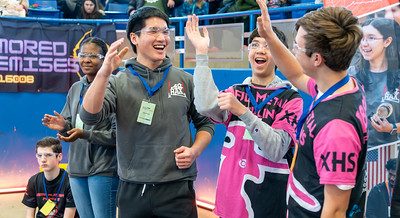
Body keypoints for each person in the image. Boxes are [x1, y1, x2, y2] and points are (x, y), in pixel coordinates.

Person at [79, 6, 215, 218]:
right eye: (153, 31)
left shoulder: (185, 80)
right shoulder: (118, 81)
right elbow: (89, 116)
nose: (162, 38)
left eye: (165, 31)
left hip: (177, 188)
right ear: (134, 37)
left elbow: (206, 123)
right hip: (132, 189)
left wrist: (194, 151)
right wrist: (104, 73)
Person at [254, 0, 368, 217]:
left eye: (297, 46)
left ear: (317, 58)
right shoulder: (341, 85)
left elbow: (335, 210)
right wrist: (268, 35)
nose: (293, 50)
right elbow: (296, 74)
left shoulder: (337, 126)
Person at [186, 15, 302, 217]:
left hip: (268, 200)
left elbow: (277, 149)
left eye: (267, 46)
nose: (260, 50)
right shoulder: (237, 91)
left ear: (279, 54)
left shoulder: (290, 97)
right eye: (255, 45)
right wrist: (202, 54)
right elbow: (205, 106)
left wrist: (243, 112)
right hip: (230, 196)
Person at [42, 37, 118, 218]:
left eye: (93, 55)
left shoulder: (114, 85)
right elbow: (71, 129)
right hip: (76, 169)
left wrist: (85, 134)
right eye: (82, 55)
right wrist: (63, 126)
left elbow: (117, 136)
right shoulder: (76, 87)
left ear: (105, 58)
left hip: (103, 169)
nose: (86, 60)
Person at [348, 18, 400, 148]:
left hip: (393, 153)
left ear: (387, 41)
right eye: (361, 38)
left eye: (371, 38)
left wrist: (392, 128)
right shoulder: (351, 75)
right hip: (358, 150)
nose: (364, 44)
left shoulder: (398, 76)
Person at [22, 137, 77, 218]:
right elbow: (30, 212)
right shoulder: (33, 181)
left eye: (48, 155)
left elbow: (69, 215)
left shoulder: (71, 182)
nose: (43, 160)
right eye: (39, 155)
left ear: (59, 157)